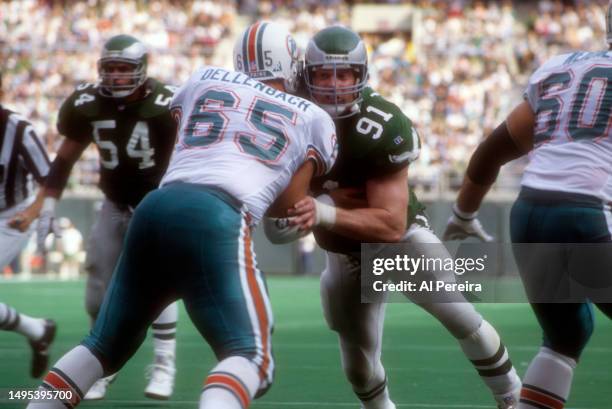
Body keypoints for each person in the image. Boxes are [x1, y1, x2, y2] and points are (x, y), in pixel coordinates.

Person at [27, 22, 337, 409]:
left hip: (156, 206)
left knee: (102, 346)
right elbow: (285, 208)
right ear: (293, 64)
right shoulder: (313, 116)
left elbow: (185, 136)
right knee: (251, 357)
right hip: (218, 216)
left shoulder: (205, 78)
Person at [287, 26, 521, 409]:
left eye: (343, 74)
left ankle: (512, 396)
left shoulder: (379, 125)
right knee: (359, 367)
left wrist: (322, 208)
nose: (332, 85)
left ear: (360, 76)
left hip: (398, 242)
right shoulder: (292, 116)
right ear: (306, 76)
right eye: (323, 74)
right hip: (345, 254)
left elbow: (390, 224)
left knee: (461, 317)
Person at [443, 3, 612, 408]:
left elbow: (489, 153)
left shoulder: (562, 67)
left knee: (564, 340)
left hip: (530, 215)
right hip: (588, 216)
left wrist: (463, 214)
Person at [14, 34, 180, 400]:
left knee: (157, 285)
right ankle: (102, 364)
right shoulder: (88, 103)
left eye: (125, 69)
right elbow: (66, 156)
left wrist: (171, 201)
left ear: (141, 71)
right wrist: (50, 203)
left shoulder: (166, 103)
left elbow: (186, 155)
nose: (117, 76)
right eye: (111, 68)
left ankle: (165, 363)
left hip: (156, 203)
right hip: (114, 202)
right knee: (95, 292)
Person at [0, 71, 56, 379]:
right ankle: (37, 329)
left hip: (11, 216)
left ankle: (37, 330)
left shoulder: (19, 129)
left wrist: (34, 212)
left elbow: (50, 178)